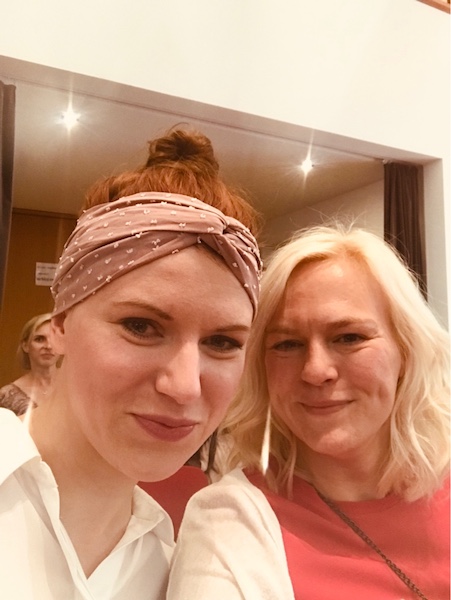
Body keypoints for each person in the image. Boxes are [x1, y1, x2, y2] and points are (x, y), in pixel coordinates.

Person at [0, 127, 262, 600]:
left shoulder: (175, 568)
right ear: (60, 324)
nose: (184, 386)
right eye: (141, 326)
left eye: (222, 341)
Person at [168, 224, 450, 600]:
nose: (316, 371)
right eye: (287, 344)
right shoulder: (230, 523)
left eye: (349, 337)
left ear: (407, 350)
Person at [0, 312, 59, 415]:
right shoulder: (7, 396)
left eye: (55, 338)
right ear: (25, 345)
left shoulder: (76, 385)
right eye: (39, 339)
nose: (48, 346)